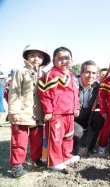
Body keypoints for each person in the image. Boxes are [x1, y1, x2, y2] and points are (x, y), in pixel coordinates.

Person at [8, 42, 51, 178]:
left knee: (37, 139)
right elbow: (14, 91)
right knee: (19, 141)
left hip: (37, 114)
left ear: (44, 59)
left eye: (40, 56)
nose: (36, 59)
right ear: (26, 57)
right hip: (21, 113)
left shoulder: (44, 75)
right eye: (32, 55)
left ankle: (36, 160)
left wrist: (46, 111)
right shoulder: (20, 72)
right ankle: (17, 165)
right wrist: (14, 111)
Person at [38, 47, 80, 171]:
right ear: (53, 60)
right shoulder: (51, 75)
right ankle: (53, 161)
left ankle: (66, 156)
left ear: (71, 60)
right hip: (56, 113)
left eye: (67, 58)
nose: (64, 61)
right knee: (55, 137)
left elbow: (75, 93)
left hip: (69, 112)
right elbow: (44, 93)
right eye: (60, 58)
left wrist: (76, 107)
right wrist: (48, 110)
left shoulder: (72, 76)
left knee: (68, 136)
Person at [73, 60, 104, 154]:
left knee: (99, 117)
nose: (91, 75)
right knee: (80, 132)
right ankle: (75, 145)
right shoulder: (72, 85)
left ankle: (90, 147)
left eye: (94, 73)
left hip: (88, 116)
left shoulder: (97, 87)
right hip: (73, 117)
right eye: (87, 72)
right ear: (81, 73)